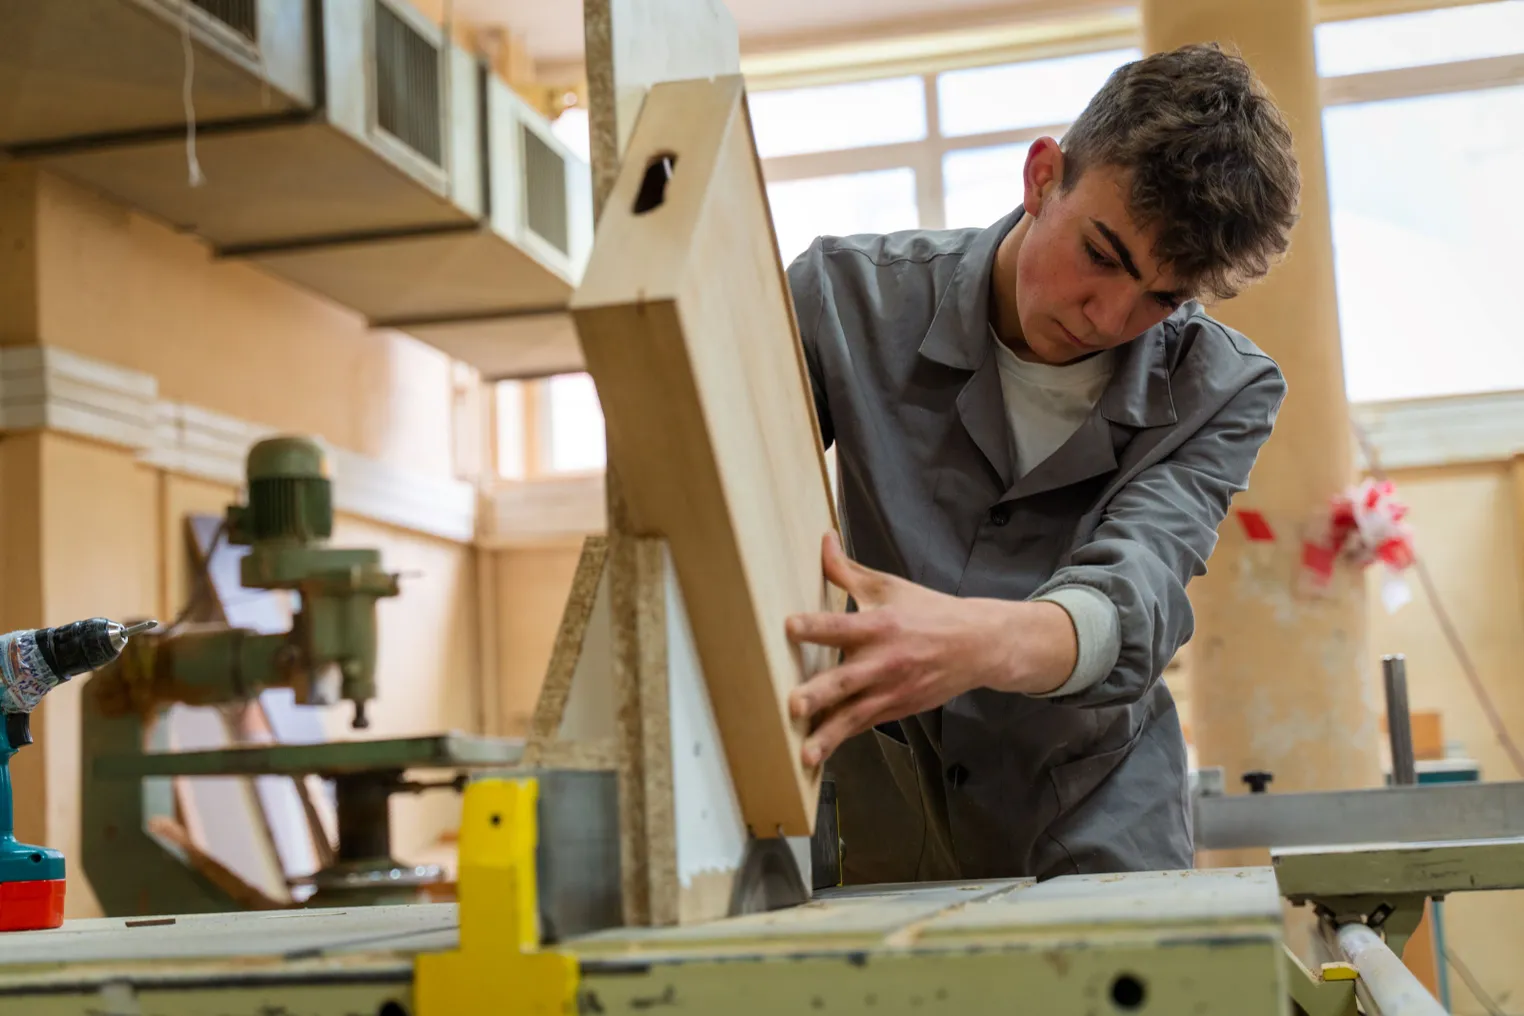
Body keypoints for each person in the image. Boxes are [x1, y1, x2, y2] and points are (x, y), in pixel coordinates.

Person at [780, 42, 1299, 883]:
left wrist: (980, 642)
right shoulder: (842, 301)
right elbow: (719, 492)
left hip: (1098, 821)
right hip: (879, 811)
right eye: (1102, 254)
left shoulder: (1223, 387)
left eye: (1163, 299)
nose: (1109, 316)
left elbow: (1139, 584)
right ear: (1042, 175)